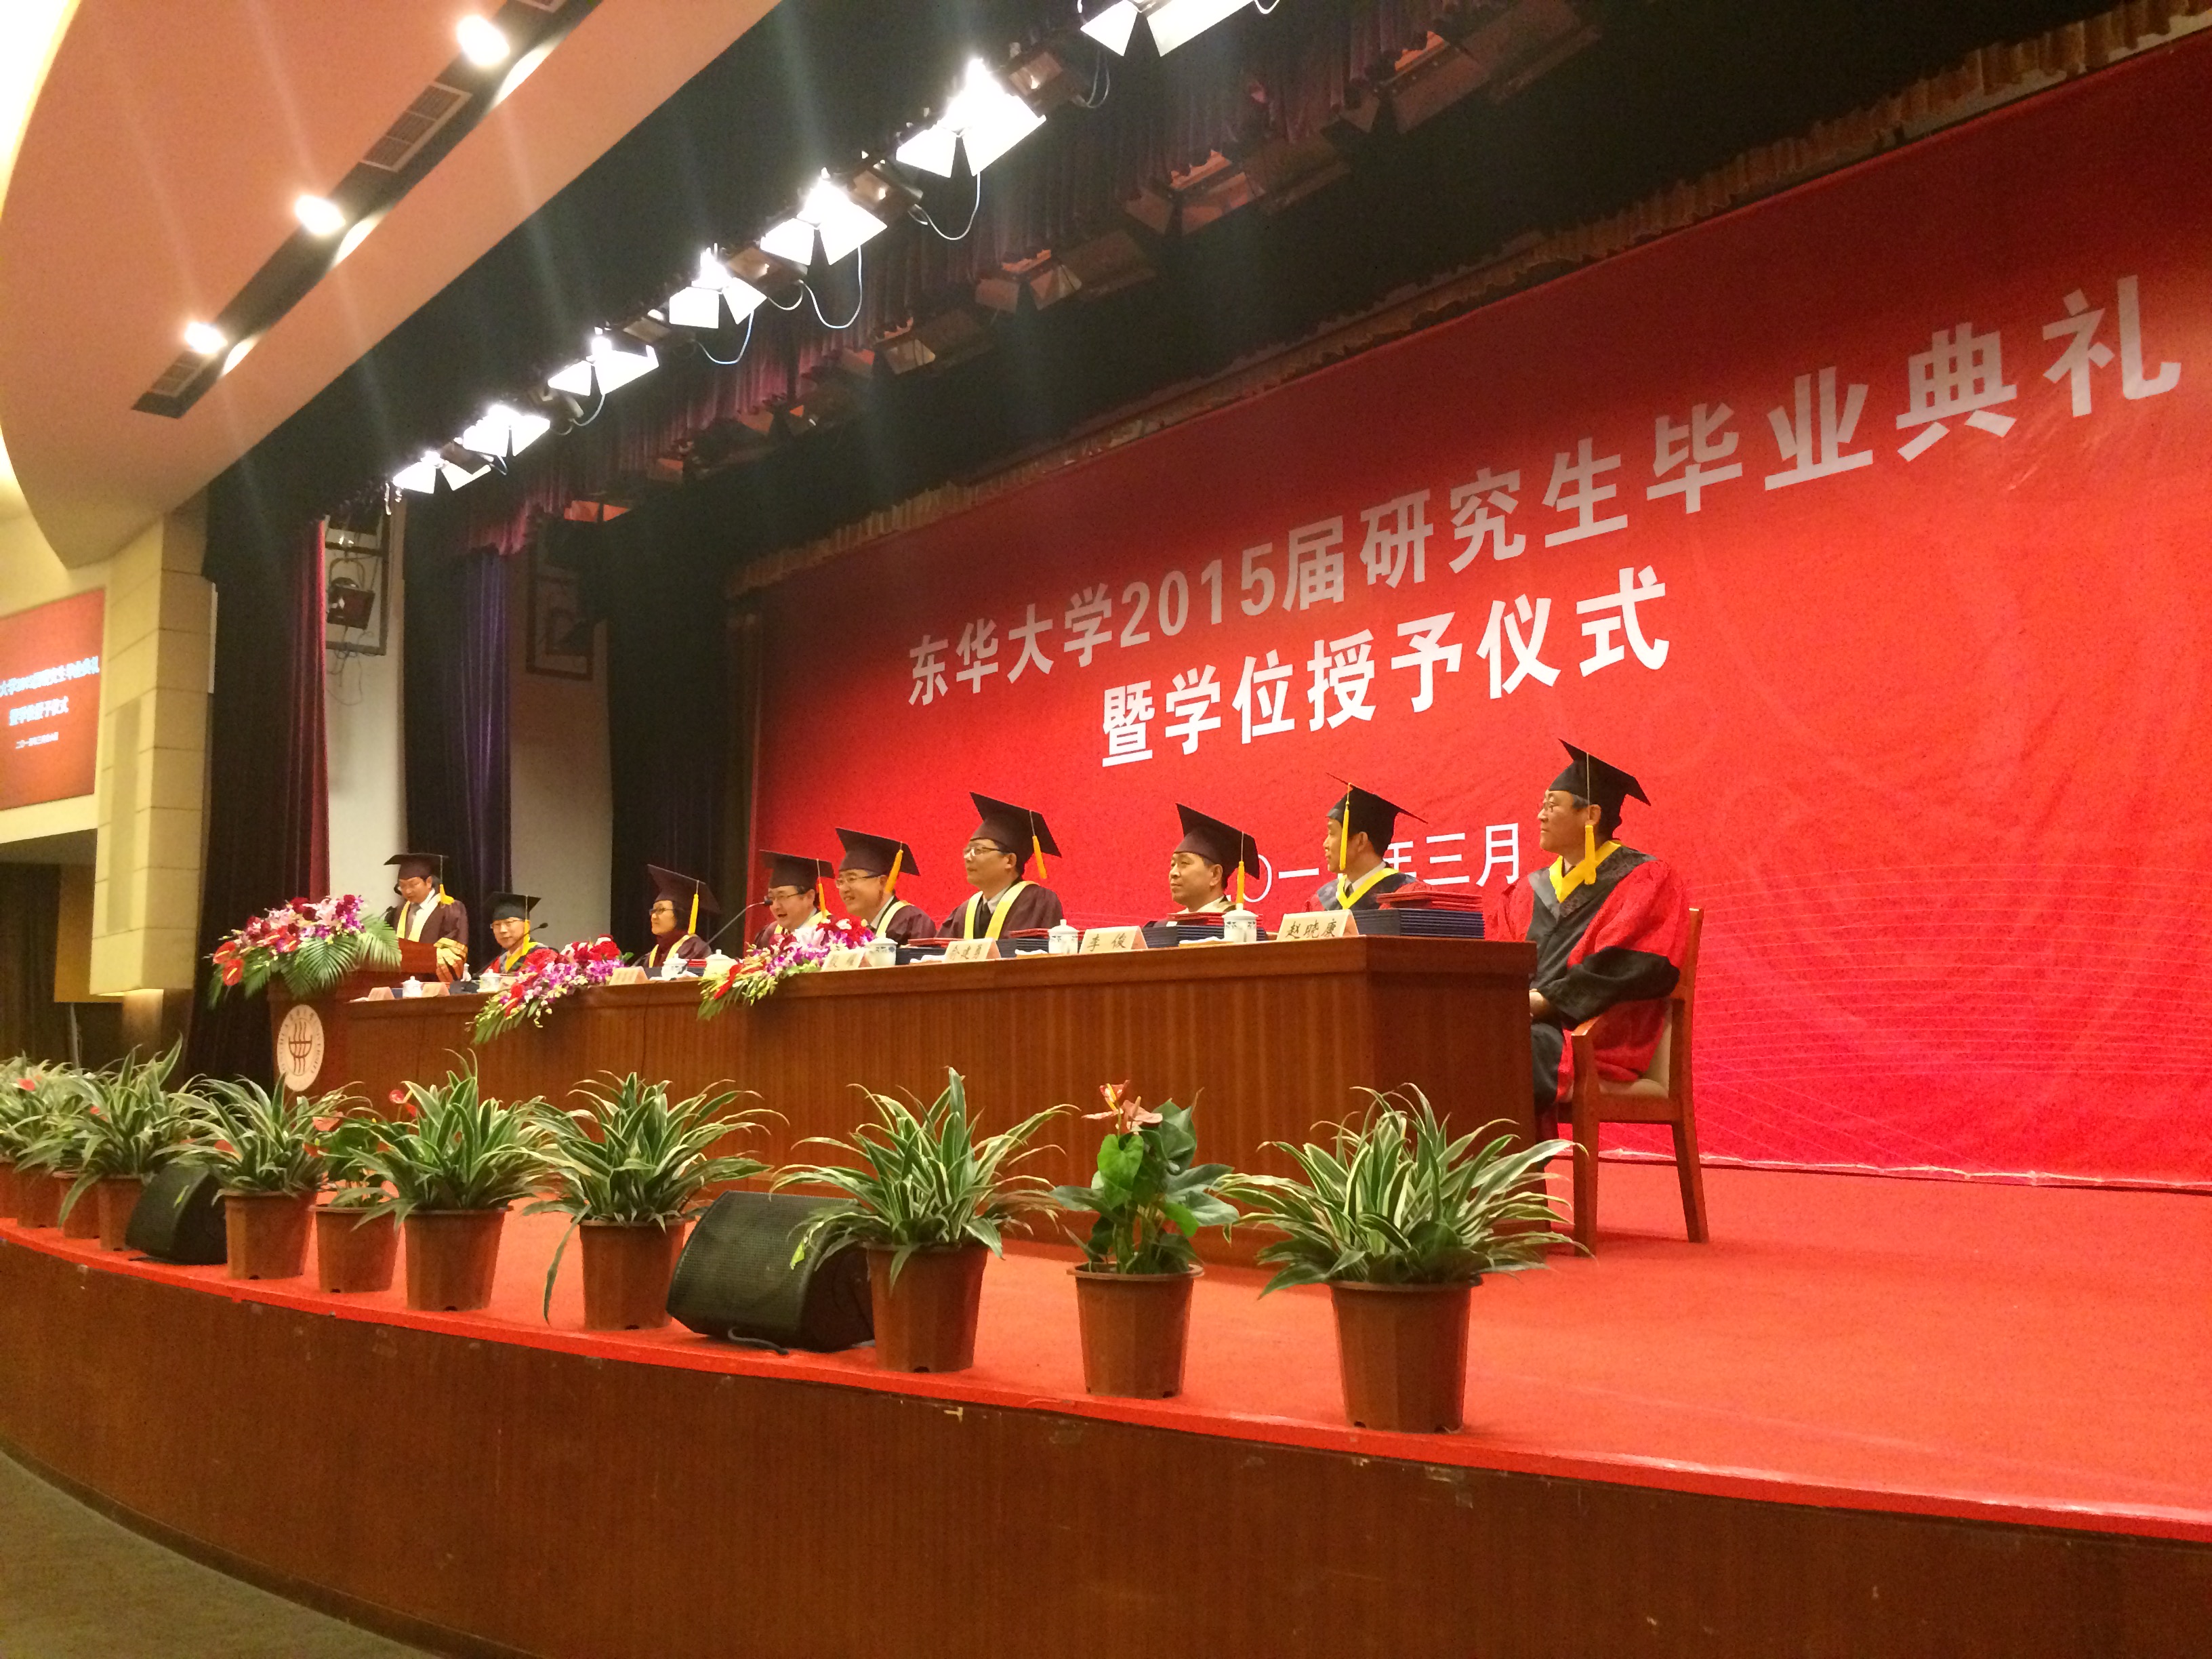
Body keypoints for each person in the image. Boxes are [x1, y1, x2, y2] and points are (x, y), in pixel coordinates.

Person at [1496, 743, 1689, 1132]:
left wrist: (1544, 1002)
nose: (1540, 815)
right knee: (1462, 1038)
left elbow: (1634, 967)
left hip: (1596, 1037)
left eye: (1553, 805)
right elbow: (1500, 963)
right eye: (1542, 805)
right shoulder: (1526, 891)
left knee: (1505, 1049)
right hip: (1527, 1023)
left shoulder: (1645, 879)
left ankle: (1512, 1170)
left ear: (1591, 815)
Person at [943, 794, 1066, 940]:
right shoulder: (964, 912)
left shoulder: (1039, 902)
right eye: (967, 850)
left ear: (1010, 861)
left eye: (979, 850)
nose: (968, 857)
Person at [1309, 784, 1415, 912]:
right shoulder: (1321, 901)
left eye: (1332, 833)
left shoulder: (1408, 898)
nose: (1325, 844)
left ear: (1360, 841)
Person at [834, 830, 935, 945]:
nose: (844, 889)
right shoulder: (862, 930)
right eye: (841, 881)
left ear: (882, 882)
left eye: (852, 879)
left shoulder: (912, 923)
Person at [384, 852, 468, 978]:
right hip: (402, 981)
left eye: (413, 884)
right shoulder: (399, 910)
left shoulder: (450, 908)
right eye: (402, 886)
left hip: (433, 983)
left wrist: (417, 957)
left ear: (428, 882)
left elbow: (454, 953)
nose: (407, 891)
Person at [1168, 805, 1260, 914]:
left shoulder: (1238, 923)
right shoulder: (1167, 923)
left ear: (1215, 874)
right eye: (1173, 864)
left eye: (1184, 863)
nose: (1173, 873)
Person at [752, 853, 834, 951]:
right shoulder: (769, 934)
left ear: (809, 897)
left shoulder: (833, 934)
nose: (776, 906)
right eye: (771, 898)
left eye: (782, 897)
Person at [644, 865, 716, 973]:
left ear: (679, 914)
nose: (654, 916)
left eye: (660, 910)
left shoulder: (696, 950)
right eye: (653, 911)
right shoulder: (653, 955)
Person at [483, 893, 554, 977]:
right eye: (497, 925)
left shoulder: (544, 956)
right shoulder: (498, 963)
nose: (502, 930)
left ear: (527, 925)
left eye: (509, 923)